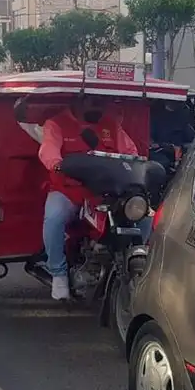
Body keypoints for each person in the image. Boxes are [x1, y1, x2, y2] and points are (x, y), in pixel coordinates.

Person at [38, 96, 153, 300]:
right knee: (54, 218)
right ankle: (58, 274)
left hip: (104, 193)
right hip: (69, 190)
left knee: (144, 217)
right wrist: (56, 163)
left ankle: (134, 261)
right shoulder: (56, 123)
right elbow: (48, 149)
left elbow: (130, 152)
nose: (100, 107)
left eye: (102, 102)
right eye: (94, 102)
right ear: (78, 101)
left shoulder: (110, 125)